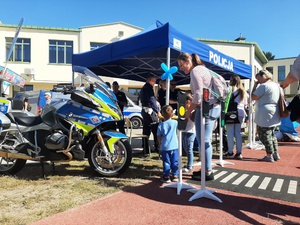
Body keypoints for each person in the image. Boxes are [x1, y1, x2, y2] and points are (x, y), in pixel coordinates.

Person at [177, 53, 221, 181]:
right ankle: (206, 169)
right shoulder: (204, 69)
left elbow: (198, 96)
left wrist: (188, 112)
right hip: (214, 107)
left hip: (206, 109)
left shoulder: (195, 72)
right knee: (205, 140)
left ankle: (207, 172)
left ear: (188, 61)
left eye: (181, 65)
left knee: (204, 141)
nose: (181, 68)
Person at [251, 70, 281, 162]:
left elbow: (253, 97)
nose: (258, 81)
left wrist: (255, 86)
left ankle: (269, 155)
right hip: (274, 110)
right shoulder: (276, 85)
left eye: (258, 78)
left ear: (263, 76)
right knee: (272, 134)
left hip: (264, 112)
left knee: (264, 135)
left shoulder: (264, 86)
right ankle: (275, 153)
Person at [224, 75, 248, 160]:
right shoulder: (243, 91)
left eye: (230, 81)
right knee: (238, 133)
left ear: (233, 81)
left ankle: (230, 152)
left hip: (231, 112)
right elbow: (246, 103)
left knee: (230, 133)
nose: (230, 82)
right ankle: (239, 152)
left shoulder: (230, 90)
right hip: (241, 112)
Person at [139, 74, 161, 152]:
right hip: (149, 111)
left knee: (146, 130)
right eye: (154, 81)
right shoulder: (148, 88)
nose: (154, 83)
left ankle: (145, 148)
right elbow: (152, 100)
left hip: (144, 111)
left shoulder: (144, 88)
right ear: (149, 80)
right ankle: (157, 147)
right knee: (155, 129)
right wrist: (157, 111)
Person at [157, 105, 178, 183]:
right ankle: (175, 175)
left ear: (162, 114)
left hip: (165, 146)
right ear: (172, 114)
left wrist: (160, 144)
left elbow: (159, 136)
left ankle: (166, 176)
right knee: (175, 161)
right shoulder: (175, 122)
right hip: (174, 145)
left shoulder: (161, 125)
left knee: (166, 161)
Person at [182, 92, 196, 173]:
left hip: (190, 132)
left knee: (189, 149)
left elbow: (192, 120)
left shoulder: (192, 110)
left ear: (188, 101)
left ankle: (190, 165)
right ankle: (188, 164)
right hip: (185, 131)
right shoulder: (184, 110)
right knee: (186, 149)